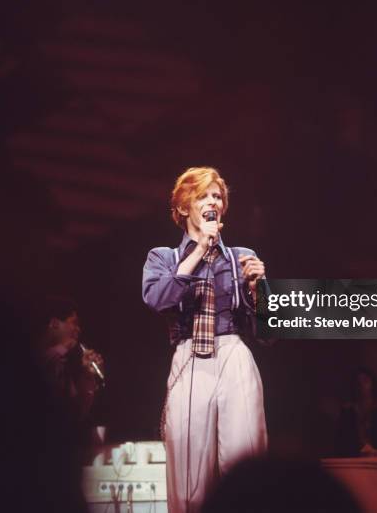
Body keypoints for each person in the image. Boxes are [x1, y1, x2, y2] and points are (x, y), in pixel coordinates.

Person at [142, 166, 268, 513]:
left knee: (245, 462)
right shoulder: (164, 258)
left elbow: (269, 333)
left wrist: (259, 292)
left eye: (217, 196)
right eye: (203, 195)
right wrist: (199, 249)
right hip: (189, 358)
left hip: (232, 353)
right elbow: (157, 299)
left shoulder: (240, 257)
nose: (213, 201)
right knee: (188, 476)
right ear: (184, 208)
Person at [34, 296, 104, 421]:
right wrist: (65, 346)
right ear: (54, 323)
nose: (78, 329)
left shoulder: (60, 364)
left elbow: (77, 413)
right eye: (74, 323)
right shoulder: (41, 358)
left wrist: (87, 375)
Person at [335, 366, 377, 457]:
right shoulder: (347, 412)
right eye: (358, 383)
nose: (361, 385)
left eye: (365, 381)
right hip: (354, 461)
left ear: (372, 383)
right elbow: (342, 442)